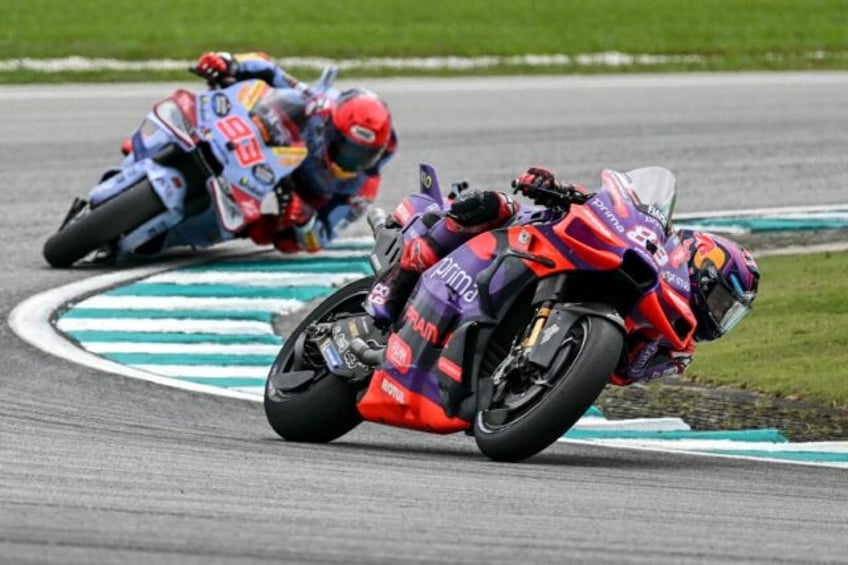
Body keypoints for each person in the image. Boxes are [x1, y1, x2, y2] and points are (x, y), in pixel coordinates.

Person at [364, 166, 761, 386]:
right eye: (721, 302)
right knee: (495, 205)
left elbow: (620, 373)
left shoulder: (674, 348)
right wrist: (556, 188)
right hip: (532, 237)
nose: (719, 315)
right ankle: (400, 278)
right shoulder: (653, 243)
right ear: (697, 268)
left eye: (729, 314)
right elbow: (608, 207)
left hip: (540, 344)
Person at [189, 51, 398, 253]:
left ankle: (207, 228)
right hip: (272, 147)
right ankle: (192, 126)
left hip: (297, 190)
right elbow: (269, 68)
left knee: (282, 240)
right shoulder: (319, 106)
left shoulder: (362, 189)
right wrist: (229, 62)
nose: (350, 160)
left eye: (364, 155)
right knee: (231, 86)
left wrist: (305, 217)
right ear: (331, 128)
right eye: (346, 148)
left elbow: (323, 236)